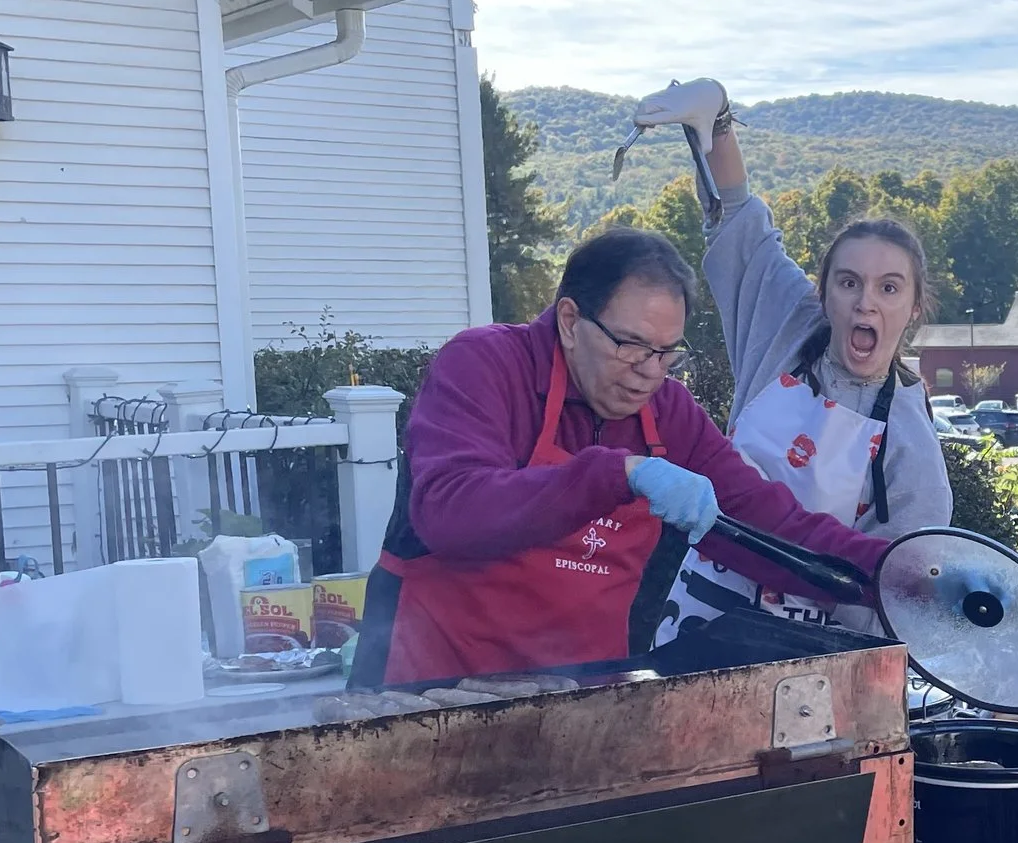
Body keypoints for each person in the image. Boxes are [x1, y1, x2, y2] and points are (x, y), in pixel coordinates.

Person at [350, 227, 898, 686]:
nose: (649, 371)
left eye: (667, 352)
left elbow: (771, 525)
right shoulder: (484, 366)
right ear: (569, 321)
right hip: (430, 697)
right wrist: (617, 473)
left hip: (587, 703)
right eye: (631, 344)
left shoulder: (668, 411)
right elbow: (452, 513)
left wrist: (900, 575)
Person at [639, 81, 952, 641]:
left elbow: (899, 590)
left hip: (805, 654)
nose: (865, 302)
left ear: (913, 307)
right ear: (825, 294)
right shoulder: (786, 326)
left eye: (888, 288)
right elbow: (738, 220)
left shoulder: (909, 440)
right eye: (849, 282)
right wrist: (717, 121)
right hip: (698, 613)